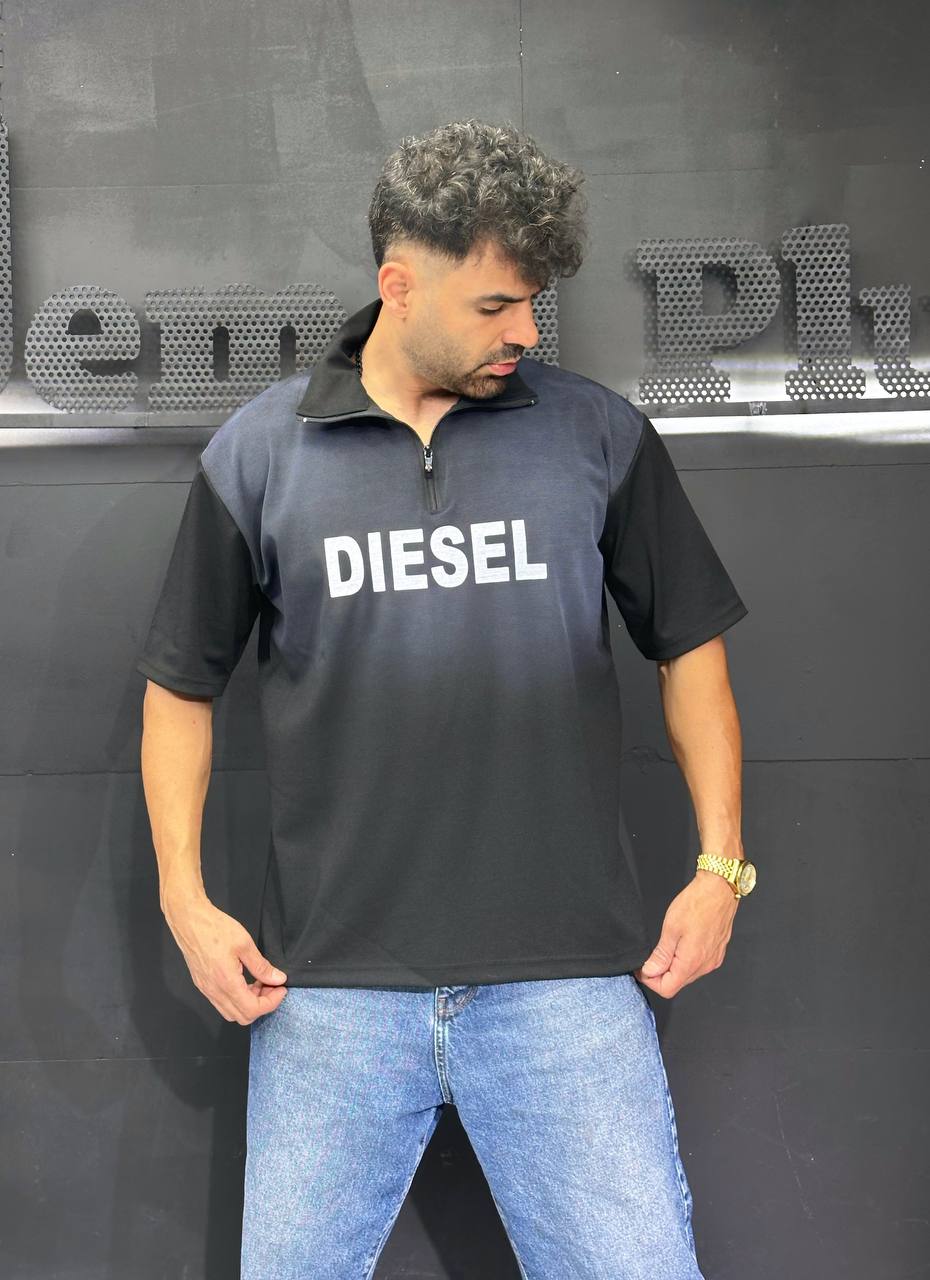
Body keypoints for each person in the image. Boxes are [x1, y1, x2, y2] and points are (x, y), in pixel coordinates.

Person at [137, 118, 755, 1279]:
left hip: (566, 981)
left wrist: (722, 863)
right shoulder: (259, 457)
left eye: (534, 302)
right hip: (329, 990)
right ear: (399, 285)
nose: (527, 330)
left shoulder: (596, 436)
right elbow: (180, 684)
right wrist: (184, 896)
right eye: (495, 306)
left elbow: (691, 649)